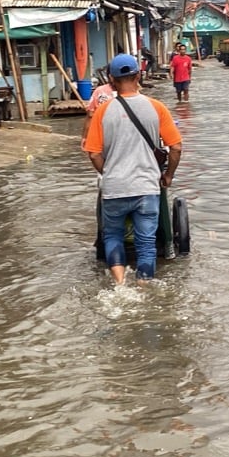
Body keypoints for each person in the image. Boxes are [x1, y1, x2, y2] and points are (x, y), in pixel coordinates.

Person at [83, 53, 183, 285]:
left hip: (115, 188)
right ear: (138, 75)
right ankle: (144, 283)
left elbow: (93, 152)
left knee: (113, 236)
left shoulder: (102, 111)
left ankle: (119, 284)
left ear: (111, 79)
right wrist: (168, 176)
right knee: (146, 241)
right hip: (147, 187)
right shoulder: (156, 107)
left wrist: (108, 172)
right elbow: (175, 148)